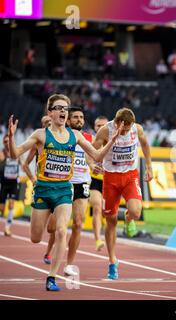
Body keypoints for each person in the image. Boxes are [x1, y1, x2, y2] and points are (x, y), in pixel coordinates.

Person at [6, 93, 121, 291]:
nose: (62, 111)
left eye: (65, 109)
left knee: (61, 231)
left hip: (63, 190)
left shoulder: (75, 136)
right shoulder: (40, 135)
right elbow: (16, 154)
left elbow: (96, 155)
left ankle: (52, 276)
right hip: (43, 189)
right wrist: (11, 137)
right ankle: (48, 222)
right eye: (58, 108)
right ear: (49, 113)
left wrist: (112, 141)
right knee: (35, 237)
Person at [92, 107, 153, 280]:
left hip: (130, 175)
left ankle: (128, 219)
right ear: (117, 122)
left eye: (128, 129)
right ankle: (112, 262)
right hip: (110, 178)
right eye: (123, 129)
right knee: (110, 221)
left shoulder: (137, 128)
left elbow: (146, 145)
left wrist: (149, 167)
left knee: (135, 211)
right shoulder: (106, 130)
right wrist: (91, 164)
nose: (125, 132)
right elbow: (92, 150)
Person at [63, 106, 95, 277]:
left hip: (81, 182)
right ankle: (53, 249)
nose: (79, 120)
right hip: (62, 183)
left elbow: (91, 159)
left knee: (78, 224)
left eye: (81, 117)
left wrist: (94, 166)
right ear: (68, 120)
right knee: (55, 228)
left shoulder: (89, 138)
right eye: (75, 117)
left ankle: (69, 264)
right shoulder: (62, 137)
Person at [22, 115, 55, 264]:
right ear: (42, 125)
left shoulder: (61, 139)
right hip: (41, 186)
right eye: (46, 123)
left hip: (58, 187)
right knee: (37, 235)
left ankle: (48, 253)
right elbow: (25, 164)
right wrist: (33, 179)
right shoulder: (38, 142)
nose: (49, 124)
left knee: (54, 228)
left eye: (51, 122)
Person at [0, 137, 31, 236]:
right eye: (5, 141)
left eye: (8, 141)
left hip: (14, 183)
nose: (6, 143)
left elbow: (23, 165)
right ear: (3, 143)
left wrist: (29, 175)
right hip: (4, 183)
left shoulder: (17, 153)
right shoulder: (1, 154)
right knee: (1, 208)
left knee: (11, 205)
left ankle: (7, 228)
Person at [89, 116, 109, 252]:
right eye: (98, 125)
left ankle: (106, 233)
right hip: (94, 180)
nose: (100, 128)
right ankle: (97, 239)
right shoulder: (91, 141)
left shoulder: (114, 140)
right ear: (94, 127)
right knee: (96, 207)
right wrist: (91, 165)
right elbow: (87, 155)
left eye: (103, 125)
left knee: (107, 213)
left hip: (110, 181)